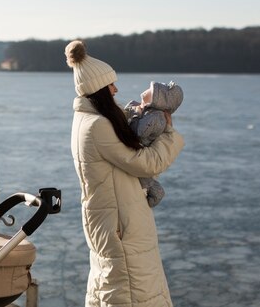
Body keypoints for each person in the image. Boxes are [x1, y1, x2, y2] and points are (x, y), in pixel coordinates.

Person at [65, 40, 185, 307]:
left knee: (114, 288)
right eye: (111, 85)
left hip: (112, 222)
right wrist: (169, 133)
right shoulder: (97, 126)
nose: (116, 89)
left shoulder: (87, 120)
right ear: (99, 90)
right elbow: (145, 164)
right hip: (121, 227)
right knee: (132, 292)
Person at [125, 81, 184, 207]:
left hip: (142, 149)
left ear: (158, 100)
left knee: (143, 177)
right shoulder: (150, 112)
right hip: (139, 148)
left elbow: (140, 132)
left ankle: (156, 192)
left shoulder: (156, 117)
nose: (145, 91)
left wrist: (135, 114)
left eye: (151, 91)